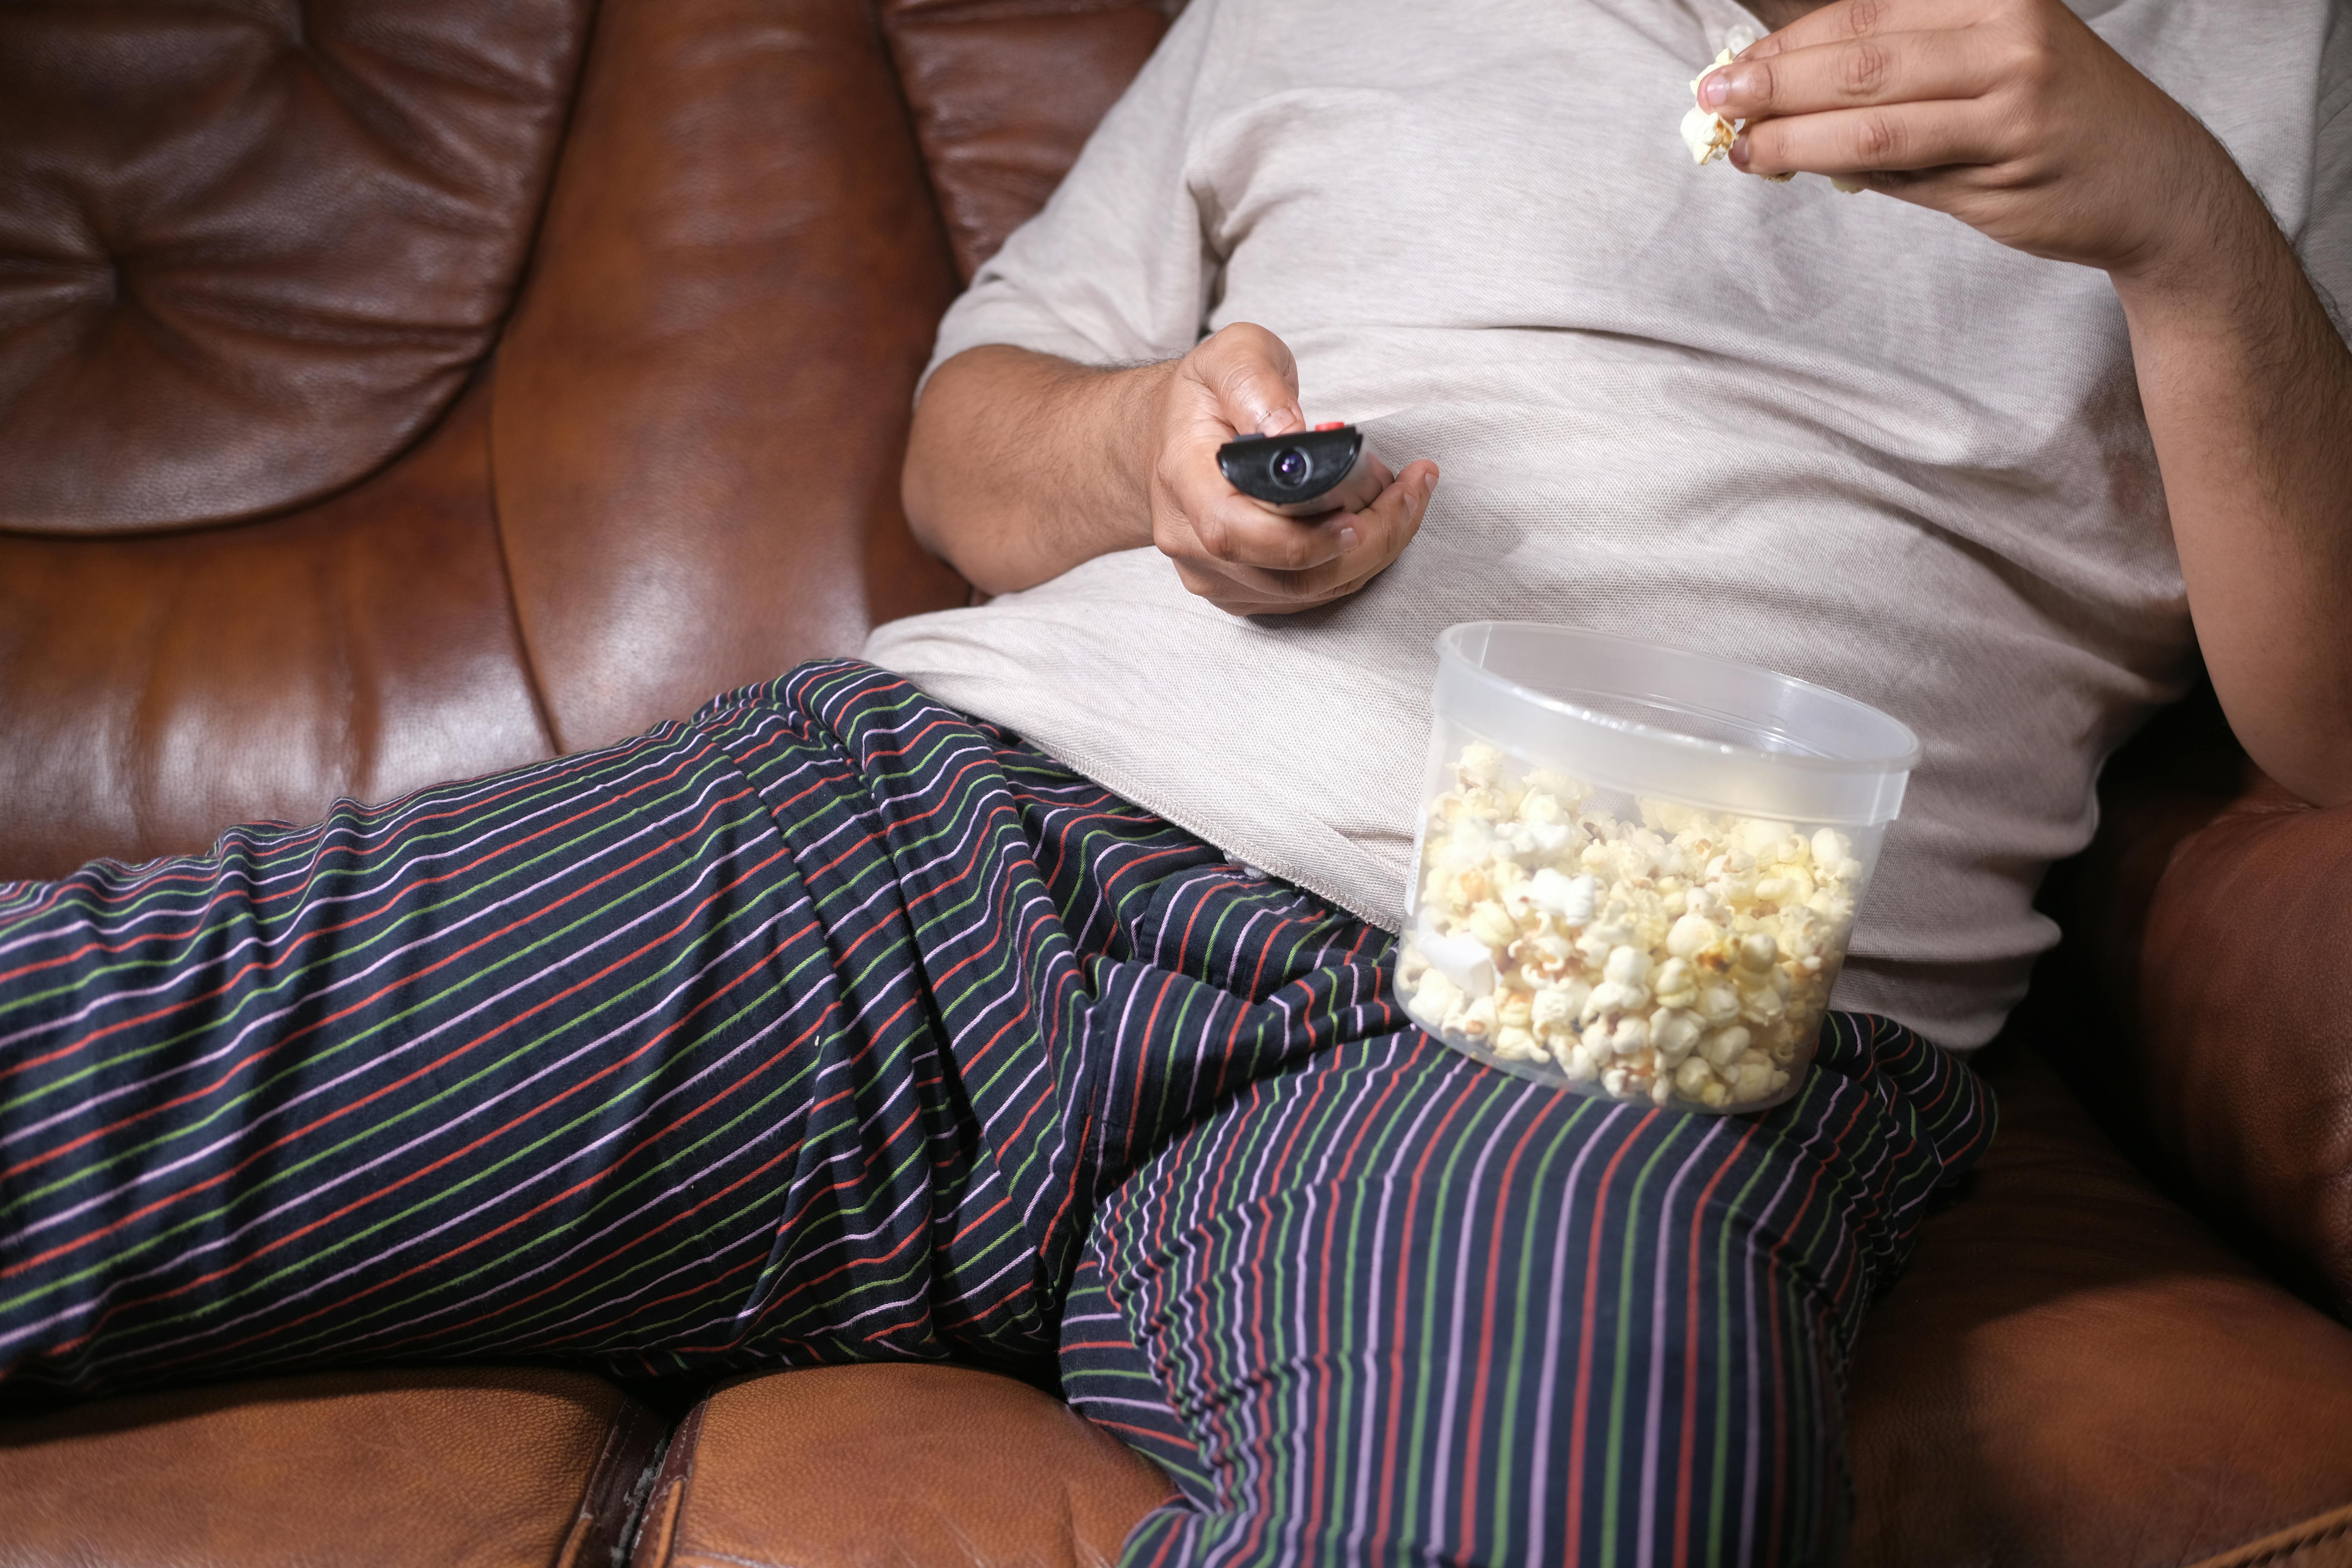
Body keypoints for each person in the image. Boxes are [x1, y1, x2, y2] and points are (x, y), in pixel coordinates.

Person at [2, 0, 2345, 1560]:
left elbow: (2324, 732)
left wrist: (2180, 225)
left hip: (1619, 1007)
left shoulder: (2275, 59)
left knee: (1553, 1501)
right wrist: (1149, 454)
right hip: (955, 835)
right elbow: (966, 442)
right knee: (78, 1066)